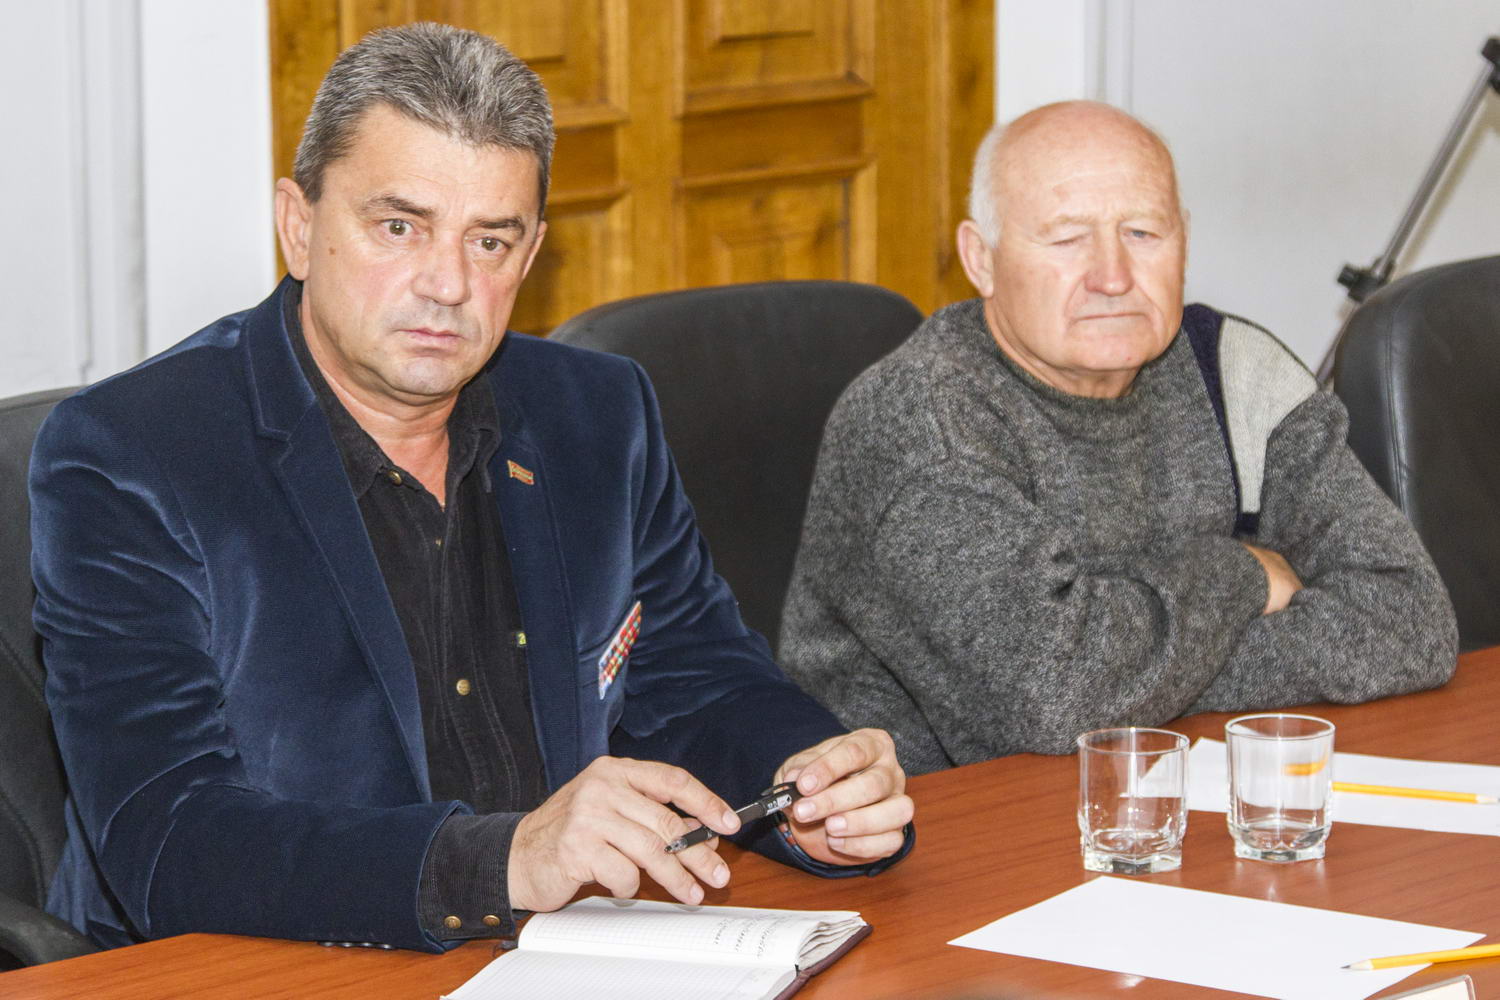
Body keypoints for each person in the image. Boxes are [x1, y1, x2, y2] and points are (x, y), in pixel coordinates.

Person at [31, 23, 912, 953]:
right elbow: (168, 839)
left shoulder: (596, 414)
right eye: (399, 227)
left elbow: (693, 679)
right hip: (258, 963)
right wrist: (500, 863)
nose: (448, 284)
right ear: (299, 226)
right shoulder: (132, 456)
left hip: (562, 951)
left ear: (530, 258)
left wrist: (809, 784)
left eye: (490, 241)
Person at [779, 101, 1457, 776]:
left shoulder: (1234, 369)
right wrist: (1245, 574)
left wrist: (1132, 678)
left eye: (1142, 232)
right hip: (946, 822)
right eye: (1067, 239)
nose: (1113, 277)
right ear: (981, 259)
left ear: (1184, 240)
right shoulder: (923, 421)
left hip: (1175, 793)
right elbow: (1051, 699)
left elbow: (1412, 620)